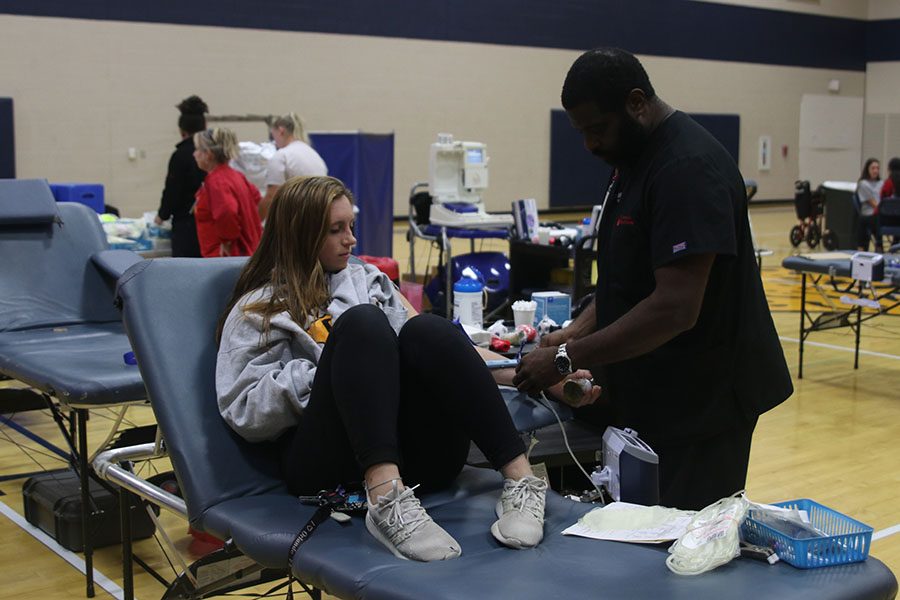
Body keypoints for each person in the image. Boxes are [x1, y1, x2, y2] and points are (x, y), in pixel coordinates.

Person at [215, 176, 597, 561]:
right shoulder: (259, 309)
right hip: (330, 468)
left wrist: (544, 380)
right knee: (363, 325)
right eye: (336, 230)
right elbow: (245, 410)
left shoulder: (367, 281)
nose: (351, 240)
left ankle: (521, 481)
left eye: (351, 227)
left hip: (421, 460)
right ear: (301, 234)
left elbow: (446, 355)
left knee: (428, 328)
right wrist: (333, 374)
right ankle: (385, 502)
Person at [513, 48, 793, 511]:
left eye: (597, 130)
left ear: (637, 103)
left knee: (682, 548)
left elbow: (674, 308)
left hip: (707, 402)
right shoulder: (634, 158)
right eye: (580, 132)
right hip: (659, 390)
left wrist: (564, 359)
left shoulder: (686, 168)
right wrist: (573, 331)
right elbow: (628, 281)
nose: (589, 145)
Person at [192, 127, 263, 257]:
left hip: (226, 257)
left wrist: (227, 241)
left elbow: (227, 212)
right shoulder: (236, 176)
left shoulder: (217, 181)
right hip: (248, 250)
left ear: (208, 154)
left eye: (197, 149)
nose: (194, 154)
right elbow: (257, 198)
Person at [154, 95, 207, 257]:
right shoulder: (212, 155)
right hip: (208, 224)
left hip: (187, 223)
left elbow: (173, 189)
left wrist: (162, 214)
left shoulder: (181, 155)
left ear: (181, 130)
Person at [258, 113, 327, 221]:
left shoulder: (282, 155)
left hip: (297, 220)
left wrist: (255, 222)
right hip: (319, 217)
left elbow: (271, 196)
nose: (274, 142)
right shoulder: (314, 155)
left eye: (273, 136)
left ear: (281, 131)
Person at [856, 158, 883, 252]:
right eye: (873, 168)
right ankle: (877, 247)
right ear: (867, 169)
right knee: (875, 220)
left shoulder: (881, 183)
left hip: (880, 212)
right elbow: (873, 203)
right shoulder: (863, 184)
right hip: (869, 213)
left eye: (877, 168)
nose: (875, 170)